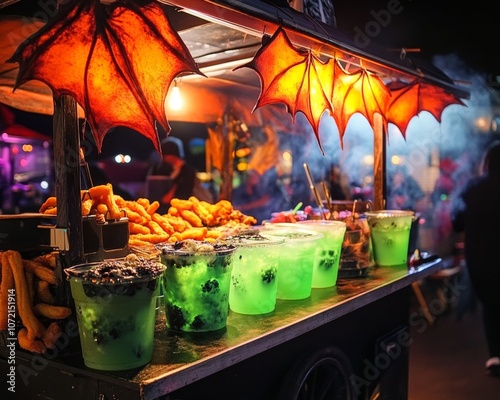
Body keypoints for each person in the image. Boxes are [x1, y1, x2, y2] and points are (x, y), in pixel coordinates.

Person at [451, 141, 500, 377]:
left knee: (491, 305)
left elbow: (456, 222)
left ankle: (495, 356)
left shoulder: (473, 188)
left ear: (487, 162)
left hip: (482, 261)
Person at [148, 138, 212, 214]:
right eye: (166, 156)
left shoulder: (188, 171)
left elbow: (186, 191)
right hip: (160, 210)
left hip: (183, 210)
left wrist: (172, 194)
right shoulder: (159, 168)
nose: (169, 159)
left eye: (172, 156)